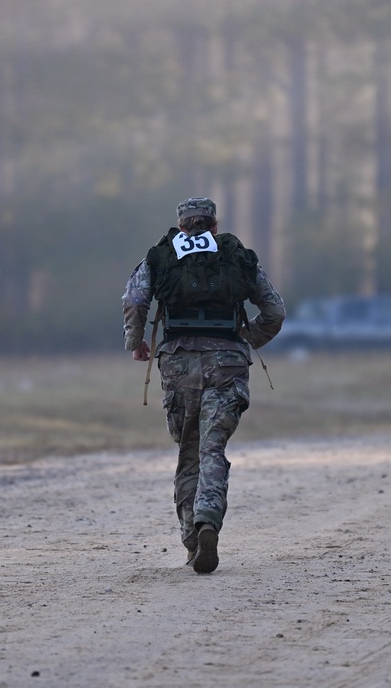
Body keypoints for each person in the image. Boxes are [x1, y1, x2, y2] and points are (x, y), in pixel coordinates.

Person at [122, 197, 285, 573]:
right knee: (213, 447)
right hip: (227, 362)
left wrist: (136, 343)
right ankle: (207, 520)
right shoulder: (236, 256)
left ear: (182, 227)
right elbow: (275, 310)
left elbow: (134, 301)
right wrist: (248, 337)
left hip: (178, 364)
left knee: (189, 449)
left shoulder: (160, 256)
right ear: (214, 226)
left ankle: (192, 542)